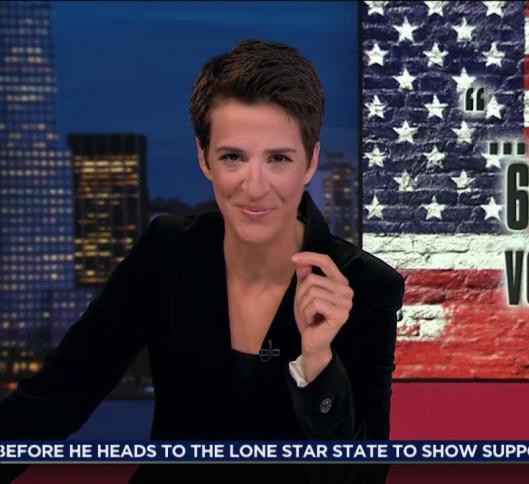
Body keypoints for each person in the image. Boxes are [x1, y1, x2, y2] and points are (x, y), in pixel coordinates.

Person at [0, 40, 404, 483]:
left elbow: (362, 477)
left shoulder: (367, 286)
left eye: (278, 159)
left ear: (310, 162)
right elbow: (56, 396)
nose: (255, 186)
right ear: (203, 158)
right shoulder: (167, 251)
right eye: (233, 157)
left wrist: (319, 361)